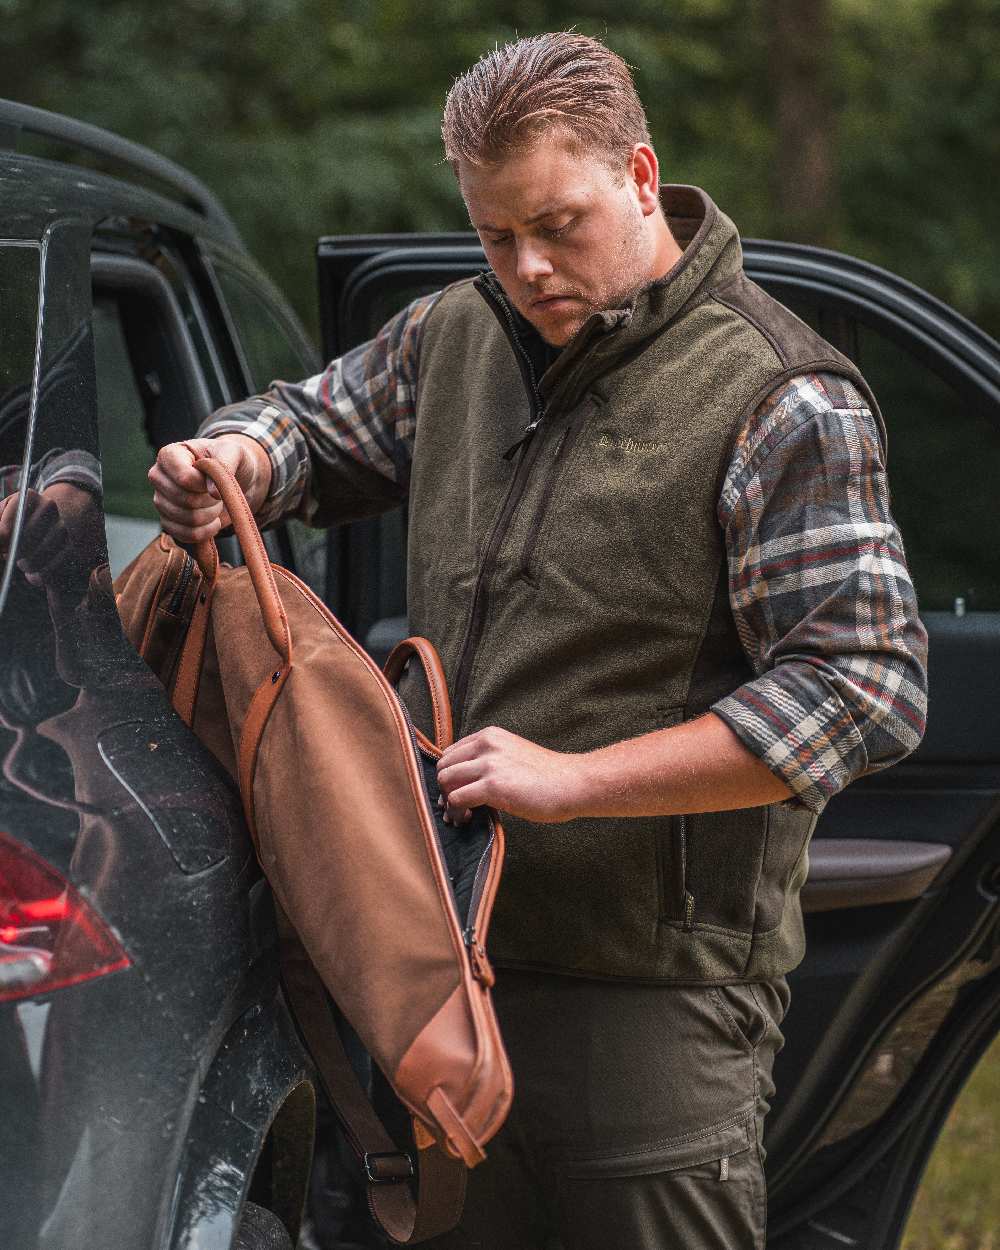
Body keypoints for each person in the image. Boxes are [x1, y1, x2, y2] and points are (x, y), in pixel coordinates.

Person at [149, 32, 927, 1250]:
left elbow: (862, 690)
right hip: (436, 968)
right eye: (494, 234)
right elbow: (309, 423)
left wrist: (573, 783)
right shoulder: (454, 332)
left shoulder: (781, 399)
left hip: (652, 1004)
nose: (525, 266)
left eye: (557, 224)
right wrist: (235, 454)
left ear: (639, 171)